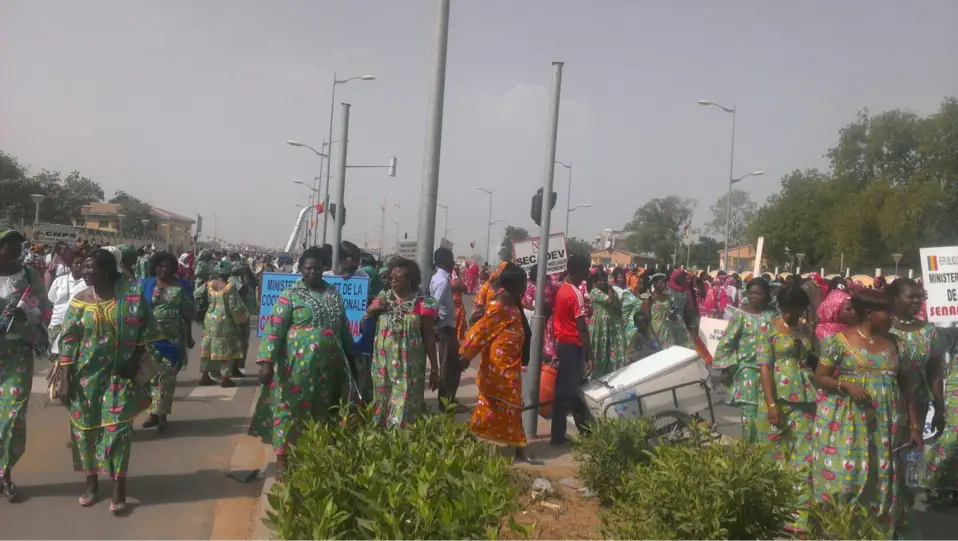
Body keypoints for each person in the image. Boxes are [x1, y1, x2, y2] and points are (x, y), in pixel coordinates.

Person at [811, 289, 923, 538]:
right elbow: (819, 378)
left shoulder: (897, 344)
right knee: (847, 474)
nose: (892, 317)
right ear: (869, 314)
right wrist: (845, 385)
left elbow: (907, 388)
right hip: (847, 422)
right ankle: (841, 529)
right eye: (887, 312)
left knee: (881, 473)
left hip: (886, 424)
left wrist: (915, 427)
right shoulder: (838, 341)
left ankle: (877, 530)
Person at [58, 248, 161, 513]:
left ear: (107, 269)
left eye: (91, 267)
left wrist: (133, 362)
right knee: (85, 432)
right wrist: (66, 379)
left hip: (119, 376)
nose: (85, 271)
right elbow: (69, 341)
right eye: (84, 268)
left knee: (118, 432)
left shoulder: (131, 297)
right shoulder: (80, 300)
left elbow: (145, 331)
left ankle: (118, 488)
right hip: (85, 379)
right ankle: (91, 482)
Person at [249, 247, 355, 478]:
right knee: (289, 410)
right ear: (301, 269)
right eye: (308, 268)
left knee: (322, 410)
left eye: (317, 268)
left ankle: (313, 457)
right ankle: (282, 461)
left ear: (323, 269)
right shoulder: (290, 295)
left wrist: (353, 354)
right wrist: (266, 361)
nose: (313, 272)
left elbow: (343, 327)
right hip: (295, 367)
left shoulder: (333, 294)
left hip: (329, 367)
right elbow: (274, 329)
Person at [460, 261, 539, 463]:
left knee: (499, 405)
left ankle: (476, 440)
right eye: (523, 283)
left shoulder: (513, 302)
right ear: (513, 284)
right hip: (499, 366)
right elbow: (481, 331)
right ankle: (517, 446)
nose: (525, 287)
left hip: (509, 363)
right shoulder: (500, 305)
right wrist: (464, 356)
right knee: (508, 403)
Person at [754, 285, 815, 533]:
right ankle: (771, 515)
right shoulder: (768, 329)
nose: (792, 315)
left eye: (798, 310)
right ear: (780, 307)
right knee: (773, 456)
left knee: (803, 459)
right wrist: (771, 404)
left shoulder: (806, 329)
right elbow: (765, 367)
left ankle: (799, 520)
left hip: (804, 399)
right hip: (776, 399)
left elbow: (814, 360)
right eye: (788, 310)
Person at [0, 221, 52, 501]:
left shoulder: (30, 275)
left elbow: (45, 309)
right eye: (8, 250)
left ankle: (4, 474)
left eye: (18, 249)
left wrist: (29, 312)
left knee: (12, 418)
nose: (15, 255)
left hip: (16, 356)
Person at [364, 257, 439, 428]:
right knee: (381, 401)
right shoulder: (382, 299)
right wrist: (370, 311)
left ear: (411, 280)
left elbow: (429, 338)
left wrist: (435, 369)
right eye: (391, 277)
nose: (393, 281)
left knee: (403, 404)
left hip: (408, 368)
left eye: (398, 278)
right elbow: (363, 326)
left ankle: (400, 443)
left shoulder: (422, 304)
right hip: (382, 366)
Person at [712, 277, 778, 443]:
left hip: (770, 370)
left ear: (767, 295)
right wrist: (725, 368)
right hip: (746, 370)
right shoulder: (740, 315)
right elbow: (727, 341)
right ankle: (750, 453)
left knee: (767, 411)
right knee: (749, 415)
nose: (754, 296)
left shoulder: (774, 315)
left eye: (758, 293)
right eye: (751, 293)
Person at [141, 251, 195, 430]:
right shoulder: (145, 285)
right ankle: (153, 413)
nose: (162, 269)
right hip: (148, 340)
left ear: (173, 269)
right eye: (159, 265)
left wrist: (189, 337)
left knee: (166, 379)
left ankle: (162, 415)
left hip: (171, 341)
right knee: (150, 379)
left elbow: (187, 314)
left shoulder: (180, 289)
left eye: (166, 266)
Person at [888, 278, 943, 430]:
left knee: (913, 449)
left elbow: (935, 371)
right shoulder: (883, 329)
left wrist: (940, 406)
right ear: (895, 299)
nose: (917, 301)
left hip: (919, 401)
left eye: (919, 296)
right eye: (911, 297)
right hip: (888, 400)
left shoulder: (928, 330)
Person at [550, 255, 593, 446]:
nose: (589, 272)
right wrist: (589, 355)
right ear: (579, 270)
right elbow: (582, 327)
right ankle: (560, 436)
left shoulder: (562, 290)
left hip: (563, 344)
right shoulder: (575, 294)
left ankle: (584, 433)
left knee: (573, 391)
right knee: (569, 392)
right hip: (572, 346)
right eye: (587, 268)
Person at [196, 260, 250, 387]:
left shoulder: (208, 284)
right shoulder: (229, 287)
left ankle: (204, 376)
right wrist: (241, 320)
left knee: (207, 348)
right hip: (224, 321)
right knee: (226, 350)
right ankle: (225, 378)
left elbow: (196, 294)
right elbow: (234, 307)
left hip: (209, 319)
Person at [430, 247, 462, 409]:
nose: (453, 262)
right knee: (448, 366)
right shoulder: (442, 281)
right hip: (444, 327)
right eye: (451, 258)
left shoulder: (438, 278)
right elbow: (434, 305)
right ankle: (445, 402)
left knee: (452, 364)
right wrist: (434, 327)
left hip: (445, 326)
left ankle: (449, 400)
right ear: (446, 261)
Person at [643, 270, 697, 350]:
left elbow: (673, 312)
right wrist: (652, 336)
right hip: (655, 331)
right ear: (654, 283)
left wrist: (673, 315)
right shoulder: (649, 299)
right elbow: (646, 320)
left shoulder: (668, 297)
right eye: (661, 282)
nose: (664, 285)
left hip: (667, 331)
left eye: (665, 282)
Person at [48, 249, 85, 360]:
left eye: (81, 264)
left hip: (74, 326)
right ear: (70, 265)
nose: (78, 266)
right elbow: (51, 298)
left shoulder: (87, 284)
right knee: (54, 359)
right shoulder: (59, 281)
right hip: (56, 324)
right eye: (76, 263)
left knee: (68, 359)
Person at [589, 272, 628, 377]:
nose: (602, 282)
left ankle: (609, 373)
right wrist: (610, 289)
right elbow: (609, 300)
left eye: (604, 279)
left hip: (610, 324)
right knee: (599, 349)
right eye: (600, 280)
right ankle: (596, 374)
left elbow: (618, 305)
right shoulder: (594, 291)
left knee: (610, 349)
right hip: (599, 323)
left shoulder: (611, 291)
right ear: (595, 282)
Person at [230, 260, 258, 378]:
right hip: (236, 316)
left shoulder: (248, 280)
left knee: (243, 342)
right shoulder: (234, 281)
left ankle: (237, 366)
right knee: (236, 342)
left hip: (245, 315)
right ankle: (232, 368)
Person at [612, 267, 639, 344]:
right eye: (619, 277)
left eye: (622, 277)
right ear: (615, 278)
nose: (621, 279)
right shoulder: (613, 289)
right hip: (619, 314)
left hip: (630, 315)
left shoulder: (629, 288)